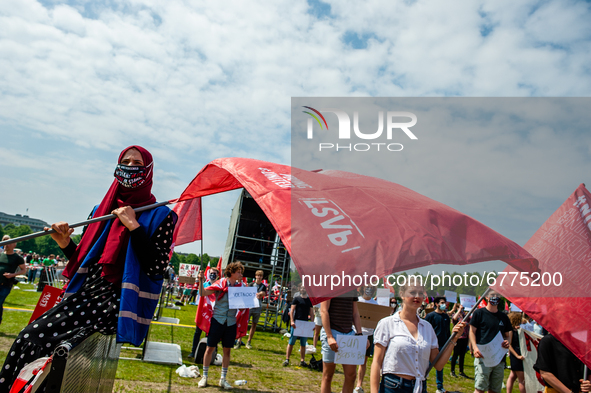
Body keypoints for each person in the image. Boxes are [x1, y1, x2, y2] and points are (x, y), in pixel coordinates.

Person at [0, 146, 177, 393]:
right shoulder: (99, 211)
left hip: (115, 302)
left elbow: (156, 267)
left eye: (137, 163)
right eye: (124, 161)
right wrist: (64, 242)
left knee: (33, 340)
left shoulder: (162, 215)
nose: (130, 166)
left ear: (148, 171)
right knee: (30, 341)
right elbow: (83, 263)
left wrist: (134, 227)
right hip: (85, 295)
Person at [370, 283, 466, 393]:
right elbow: (376, 362)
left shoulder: (427, 327)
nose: (417, 296)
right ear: (402, 294)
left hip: (419, 387)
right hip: (393, 387)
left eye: (420, 293)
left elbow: (439, 365)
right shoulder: (387, 323)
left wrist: (453, 339)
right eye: (412, 292)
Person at [197, 261, 248, 390]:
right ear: (231, 272)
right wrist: (200, 280)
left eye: (241, 272)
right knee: (210, 348)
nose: (240, 274)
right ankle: (204, 376)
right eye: (239, 272)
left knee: (227, 350)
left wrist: (247, 302)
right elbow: (203, 293)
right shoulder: (220, 283)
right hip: (217, 320)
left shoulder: (241, 287)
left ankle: (223, 379)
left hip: (230, 322)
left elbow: (242, 308)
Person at [320, 290, 364, 393]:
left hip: (348, 334)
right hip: (332, 332)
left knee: (351, 375)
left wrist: (359, 334)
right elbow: (323, 311)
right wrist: (329, 336)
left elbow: (355, 313)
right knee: (328, 375)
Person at [469, 290, 512, 393]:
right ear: (487, 297)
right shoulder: (479, 313)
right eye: (492, 295)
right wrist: (475, 348)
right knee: (480, 388)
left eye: (497, 295)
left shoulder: (503, 317)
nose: (495, 297)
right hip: (483, 357)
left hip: (499, 359)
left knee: (495, 390)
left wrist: (508, 341)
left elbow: (507, 335)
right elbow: (472, 332)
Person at [188, 267, 219, 359]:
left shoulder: (219, 286)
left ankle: (211, 353)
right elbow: (200, 295)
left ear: (218, 275)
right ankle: (193, 351)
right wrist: (200, 280)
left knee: (212, 334)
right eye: (211, 273)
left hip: (213, 312)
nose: (213, 275)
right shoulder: (204, 284)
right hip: (204, 311)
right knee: (198, 332)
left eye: (215, 273)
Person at [354, 285, 378, 393]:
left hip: (369, 334)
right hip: (355, 333)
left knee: (363, 361)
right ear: (363, 288)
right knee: (352, 360)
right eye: (367, 287)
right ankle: (349, 384)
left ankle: (359, 385)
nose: (369, 289)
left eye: (371, 288)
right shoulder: (357, 301)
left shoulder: (375, 304)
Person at [425, 296, 452, 393]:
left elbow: (448, 331)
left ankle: (439, 386)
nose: (444, 304)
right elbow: (425, 330)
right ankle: (422, 380)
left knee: (440, 367)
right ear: (436, 304)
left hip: (443, 345)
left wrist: (449, 342)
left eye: (444, 302)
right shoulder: (430, 316)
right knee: (426, 365)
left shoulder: (446, 317)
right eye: (441, 302)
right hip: (431, 345)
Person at [283, 284, 314, 366]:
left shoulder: (309, 300)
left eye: (304, 288)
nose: (303, 289)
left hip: (305, 324)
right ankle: (287, 359)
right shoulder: (296, 299)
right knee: (291, 342)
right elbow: (292, 310)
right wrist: (292, 321)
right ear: (299, 289)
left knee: (303, 343)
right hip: (296, 323)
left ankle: (302, 360)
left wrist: (312, 323)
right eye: (302, 288)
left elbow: (311, 312)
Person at [0, 235, 26, 325]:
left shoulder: (17, 257)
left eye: (8, 243)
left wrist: (12, 275)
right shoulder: (0, 255)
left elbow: (24, 270)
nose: (6, 245)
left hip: (6, 284)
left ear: (14, 245)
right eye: (4, 242)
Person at [244, 270, 267, 349]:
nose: (259, 277)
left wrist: (260, 294)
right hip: (250, 306)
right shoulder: (251, 284)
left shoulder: (263, 286)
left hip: (258, 307)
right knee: (245, 323)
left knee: (254, 324)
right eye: (258, 275)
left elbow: (263, 293)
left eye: (261, 276)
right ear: (255, 276)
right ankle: (239, 340)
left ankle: (249, 341)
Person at [506, 312, 525, 393]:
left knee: (512, 376)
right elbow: (509, 345)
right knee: (522, 380)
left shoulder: (517, 329)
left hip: (517, 355)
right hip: (516, 355)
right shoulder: (511, 331)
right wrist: (517, 356)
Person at [450, 303, 470, 378]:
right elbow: (454, 319)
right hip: (458, 338)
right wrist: (458, 310)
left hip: (465, 338)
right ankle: (452, 371)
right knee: (455, 355)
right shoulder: (456, 315)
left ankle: (461, 371)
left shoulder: (466, 316)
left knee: (462, 355)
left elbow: (472, 318)